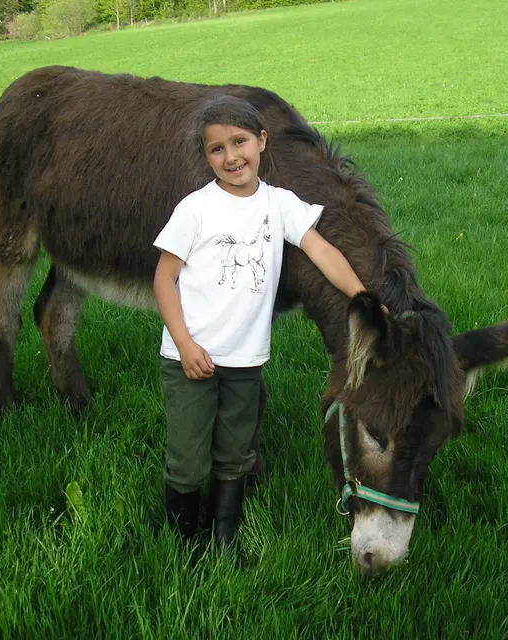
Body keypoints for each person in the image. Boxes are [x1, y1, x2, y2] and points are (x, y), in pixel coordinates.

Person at [153, 95, 367, 546]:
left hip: (246, 360)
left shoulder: (280, 204)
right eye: (217, 148)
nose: (231, 156)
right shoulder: (195, 209)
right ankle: (182, 541)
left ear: (262, 141)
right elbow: (163, 280)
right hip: (192, 356)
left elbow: (322, 251)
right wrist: (185, 344)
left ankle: (224, 535)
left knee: (236, 453)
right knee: (189, 458)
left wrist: (363, 298)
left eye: (240, 142)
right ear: (205, 157)